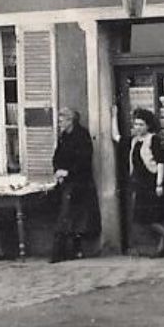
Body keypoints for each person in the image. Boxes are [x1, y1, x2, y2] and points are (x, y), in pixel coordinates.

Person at [50, 107, 101, 263]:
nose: (59, 124)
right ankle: (68, 251)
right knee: (67, 216)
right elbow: (57, 156)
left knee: (74, 217)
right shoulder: (64, 136)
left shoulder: (82, 135)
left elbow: (84, 160)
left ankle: (66, 251)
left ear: (69, 120)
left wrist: (69, 172)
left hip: (80, 182)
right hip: (66, 182)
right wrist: (58, 170)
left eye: (61, 121)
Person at [127, 108, 164, 258]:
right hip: (141, 183)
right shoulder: (134, 141)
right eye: (136, 124)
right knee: (150, 216)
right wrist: (113, 116)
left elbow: (160, 162)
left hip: (152, 181)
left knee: (149, 217)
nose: (138, 127)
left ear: (148, 126)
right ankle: (162, 247)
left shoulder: (153, 139)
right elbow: (116, 137)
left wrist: (159, 184)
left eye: (141, 124)